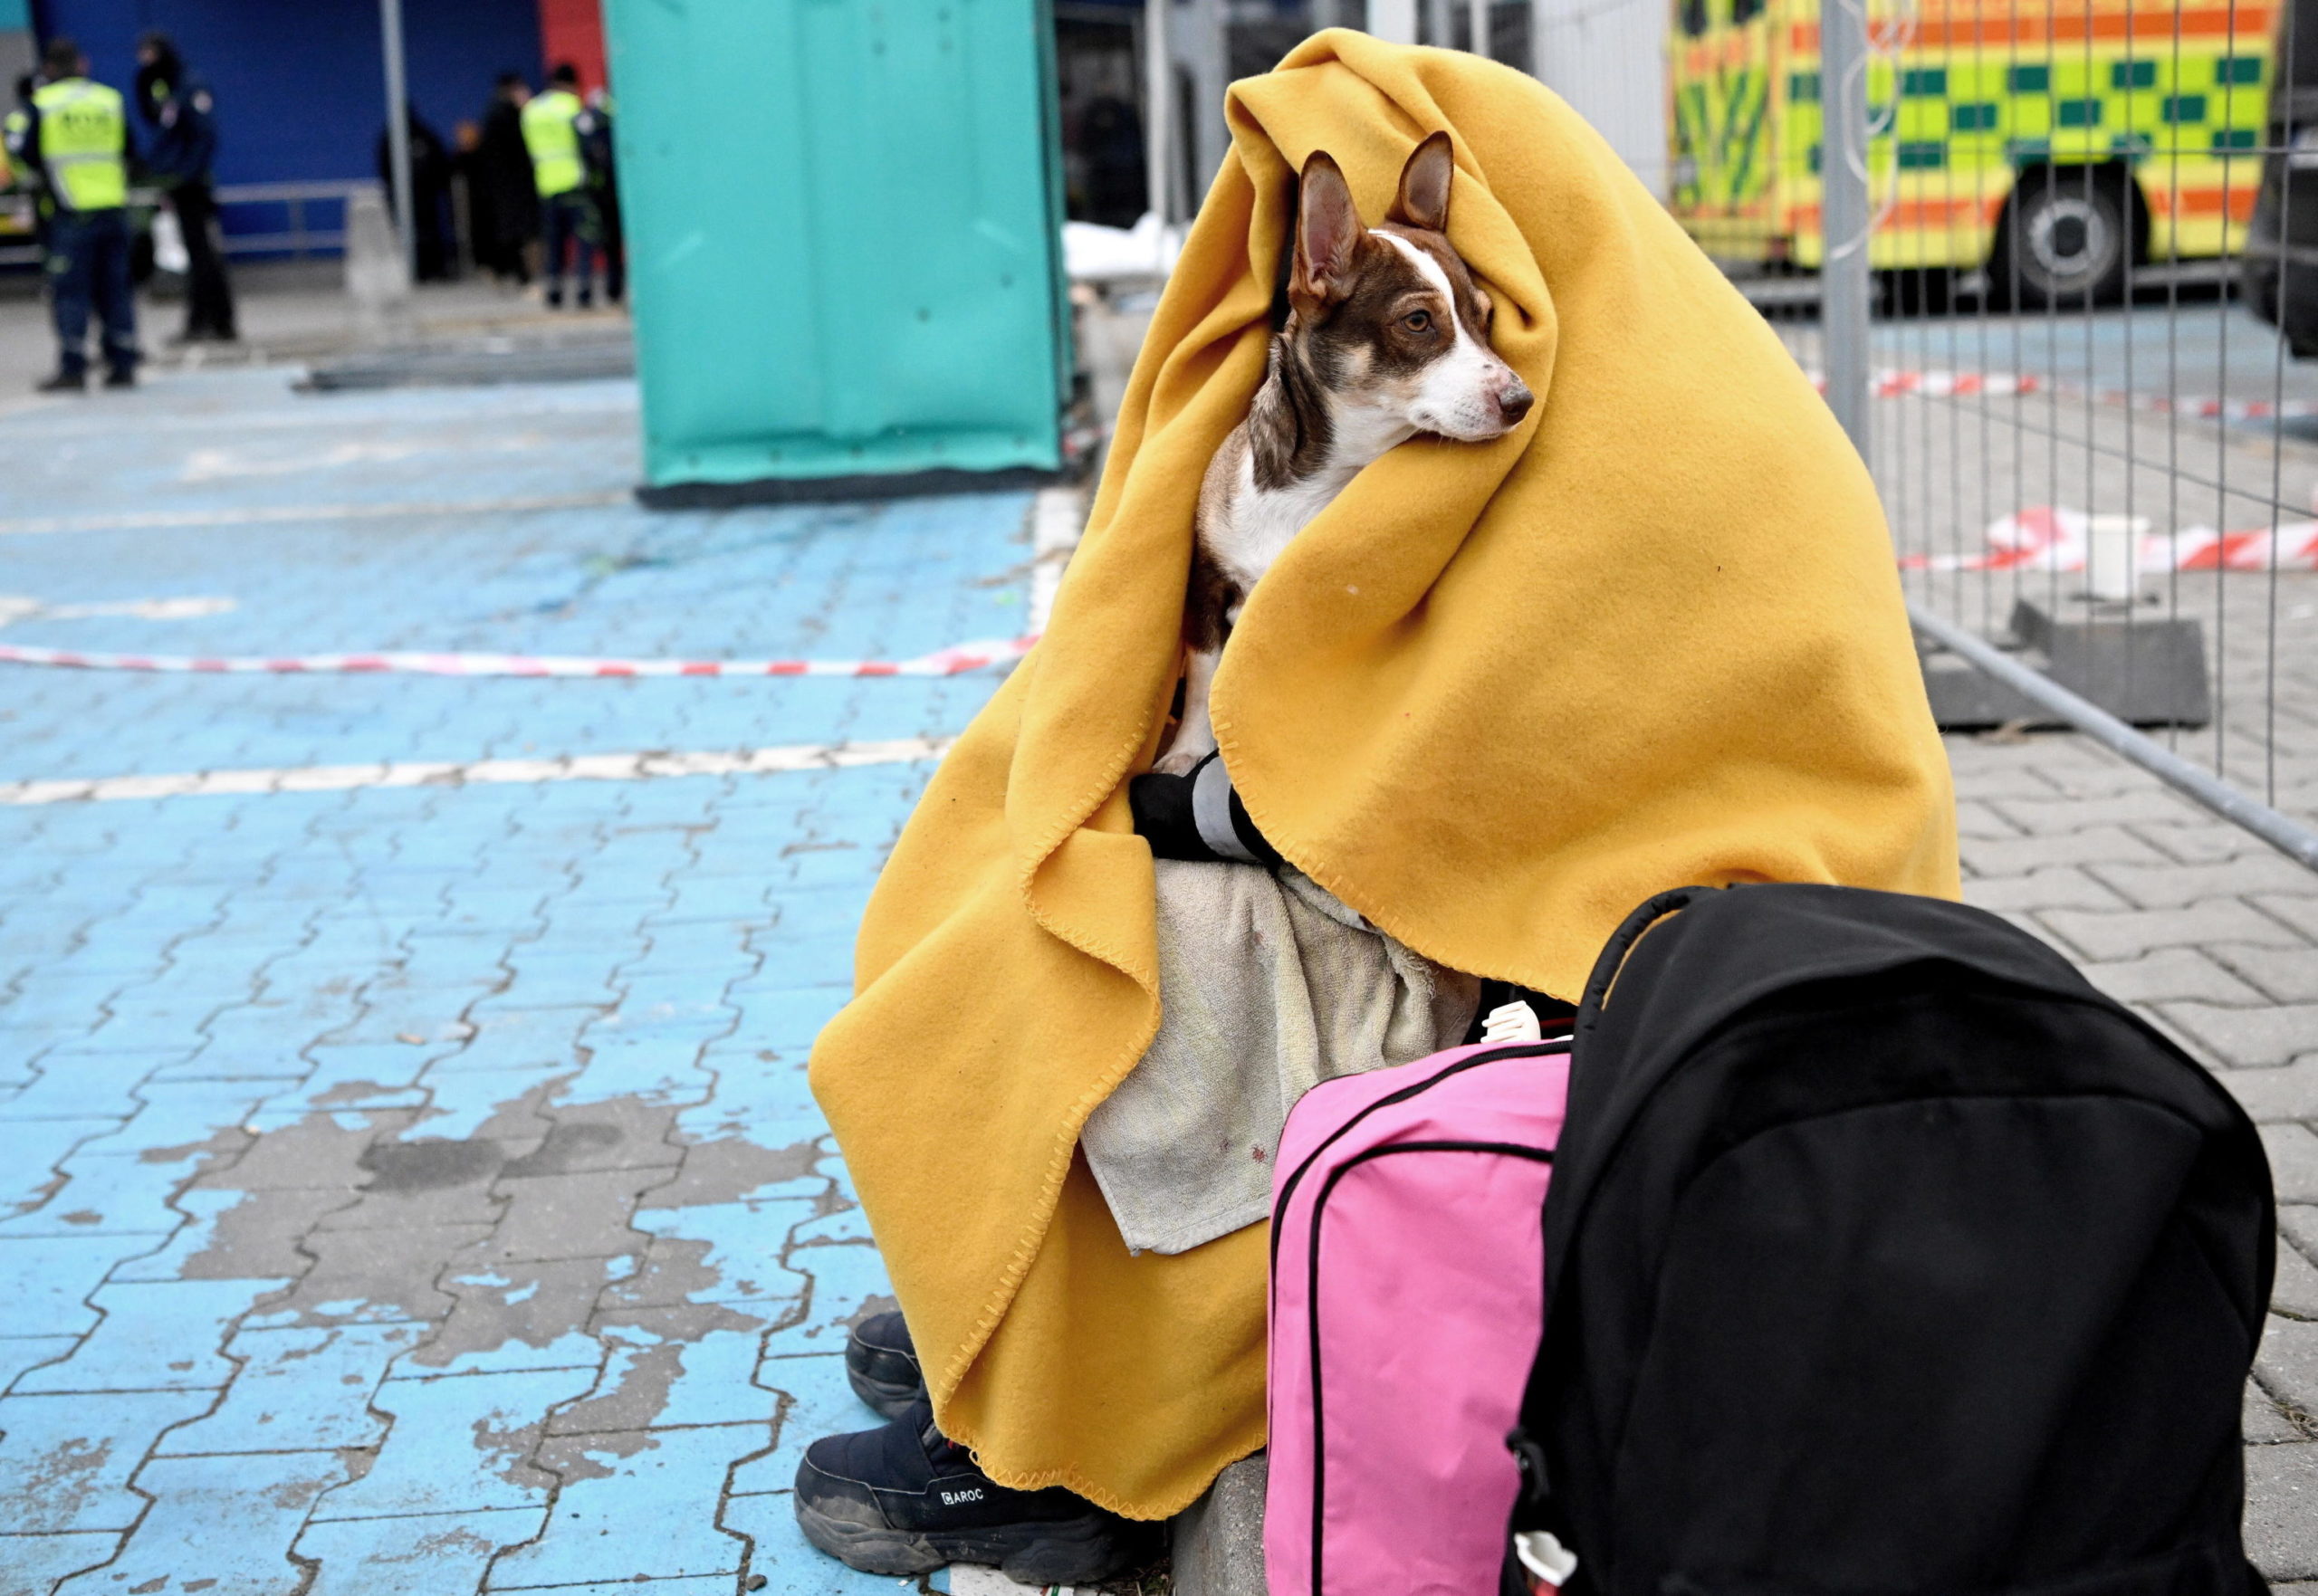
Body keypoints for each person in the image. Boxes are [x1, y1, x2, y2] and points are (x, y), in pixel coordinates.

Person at [25, 37, 135, 391]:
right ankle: (123, 363)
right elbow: (131, 150)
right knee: (115, 289)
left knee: (70, 292)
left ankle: (73, 368)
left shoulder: (43, 104)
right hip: (114, 209)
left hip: (71, 214)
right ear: (82, 64)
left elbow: (27, 156)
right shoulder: (109, 100)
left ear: (49, 68)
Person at [133, 31, 235, 344]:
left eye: (149, 55)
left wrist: (187, 174)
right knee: (198, 252)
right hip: (177, 180)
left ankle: (212, 322)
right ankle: (213, 322)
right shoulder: (167, 87)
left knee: (202, 252)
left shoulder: (189, 84)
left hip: (192, 183)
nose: (145, 63)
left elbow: (204, 136)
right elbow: (162, 127)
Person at [521, 62, 598, 308]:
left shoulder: (531, 110)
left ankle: (554, 289)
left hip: (546, 184)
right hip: (575, 183)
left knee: (554, 242)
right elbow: (588, 143)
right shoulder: (571, 106)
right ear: (571, 83)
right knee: (583, 238)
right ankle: (584, 287)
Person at [466, 72, 536, 286]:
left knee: (507, 227)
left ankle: (506, 271)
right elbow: (519, 147)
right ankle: (517, 273)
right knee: (514, 228)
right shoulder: (506, 114)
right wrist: (525, 109)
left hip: (499, 182)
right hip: (510, 183)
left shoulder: (492, 112)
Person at [377, 102, 456, 282]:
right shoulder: (396, 137)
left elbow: (439, 163)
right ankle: (422, 269)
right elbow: (385, 167)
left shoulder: (417, 135)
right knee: (415, 233)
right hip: (416, 196)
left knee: (426, 233)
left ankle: (430, 269)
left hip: (423, 196)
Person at [580, 85, 622, 305]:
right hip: (615, 187)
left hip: (601, 190)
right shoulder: (616, 109)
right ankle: (615, 287)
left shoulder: (589, 119)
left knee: (607, 242)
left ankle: (612, 288)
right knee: (613, 241)